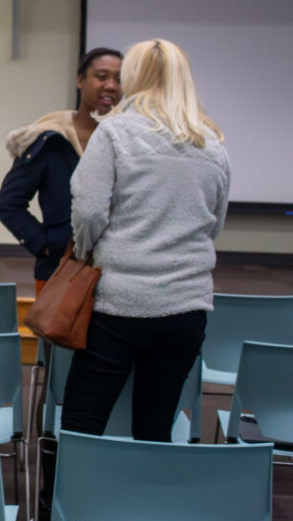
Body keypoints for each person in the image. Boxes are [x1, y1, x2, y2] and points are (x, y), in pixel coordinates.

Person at [62, 38, 230, 441]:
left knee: (83, 428)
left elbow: (88, 214)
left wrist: (87, 253)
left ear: (133, 77)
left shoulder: (114, 133)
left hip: (119, 305)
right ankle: (145, 504)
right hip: (187, 308)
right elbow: (215, 225)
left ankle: (64, 506)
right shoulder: (212, 143)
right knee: (155, 430)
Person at [0, 48, 123, 289]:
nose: (111, 86)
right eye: (102, 76)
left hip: (118, 276)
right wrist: (47, 245)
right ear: (80, 80)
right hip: (59, 273)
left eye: (119, 79)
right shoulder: (50, 140)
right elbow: (9, 204)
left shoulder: (130, 142)